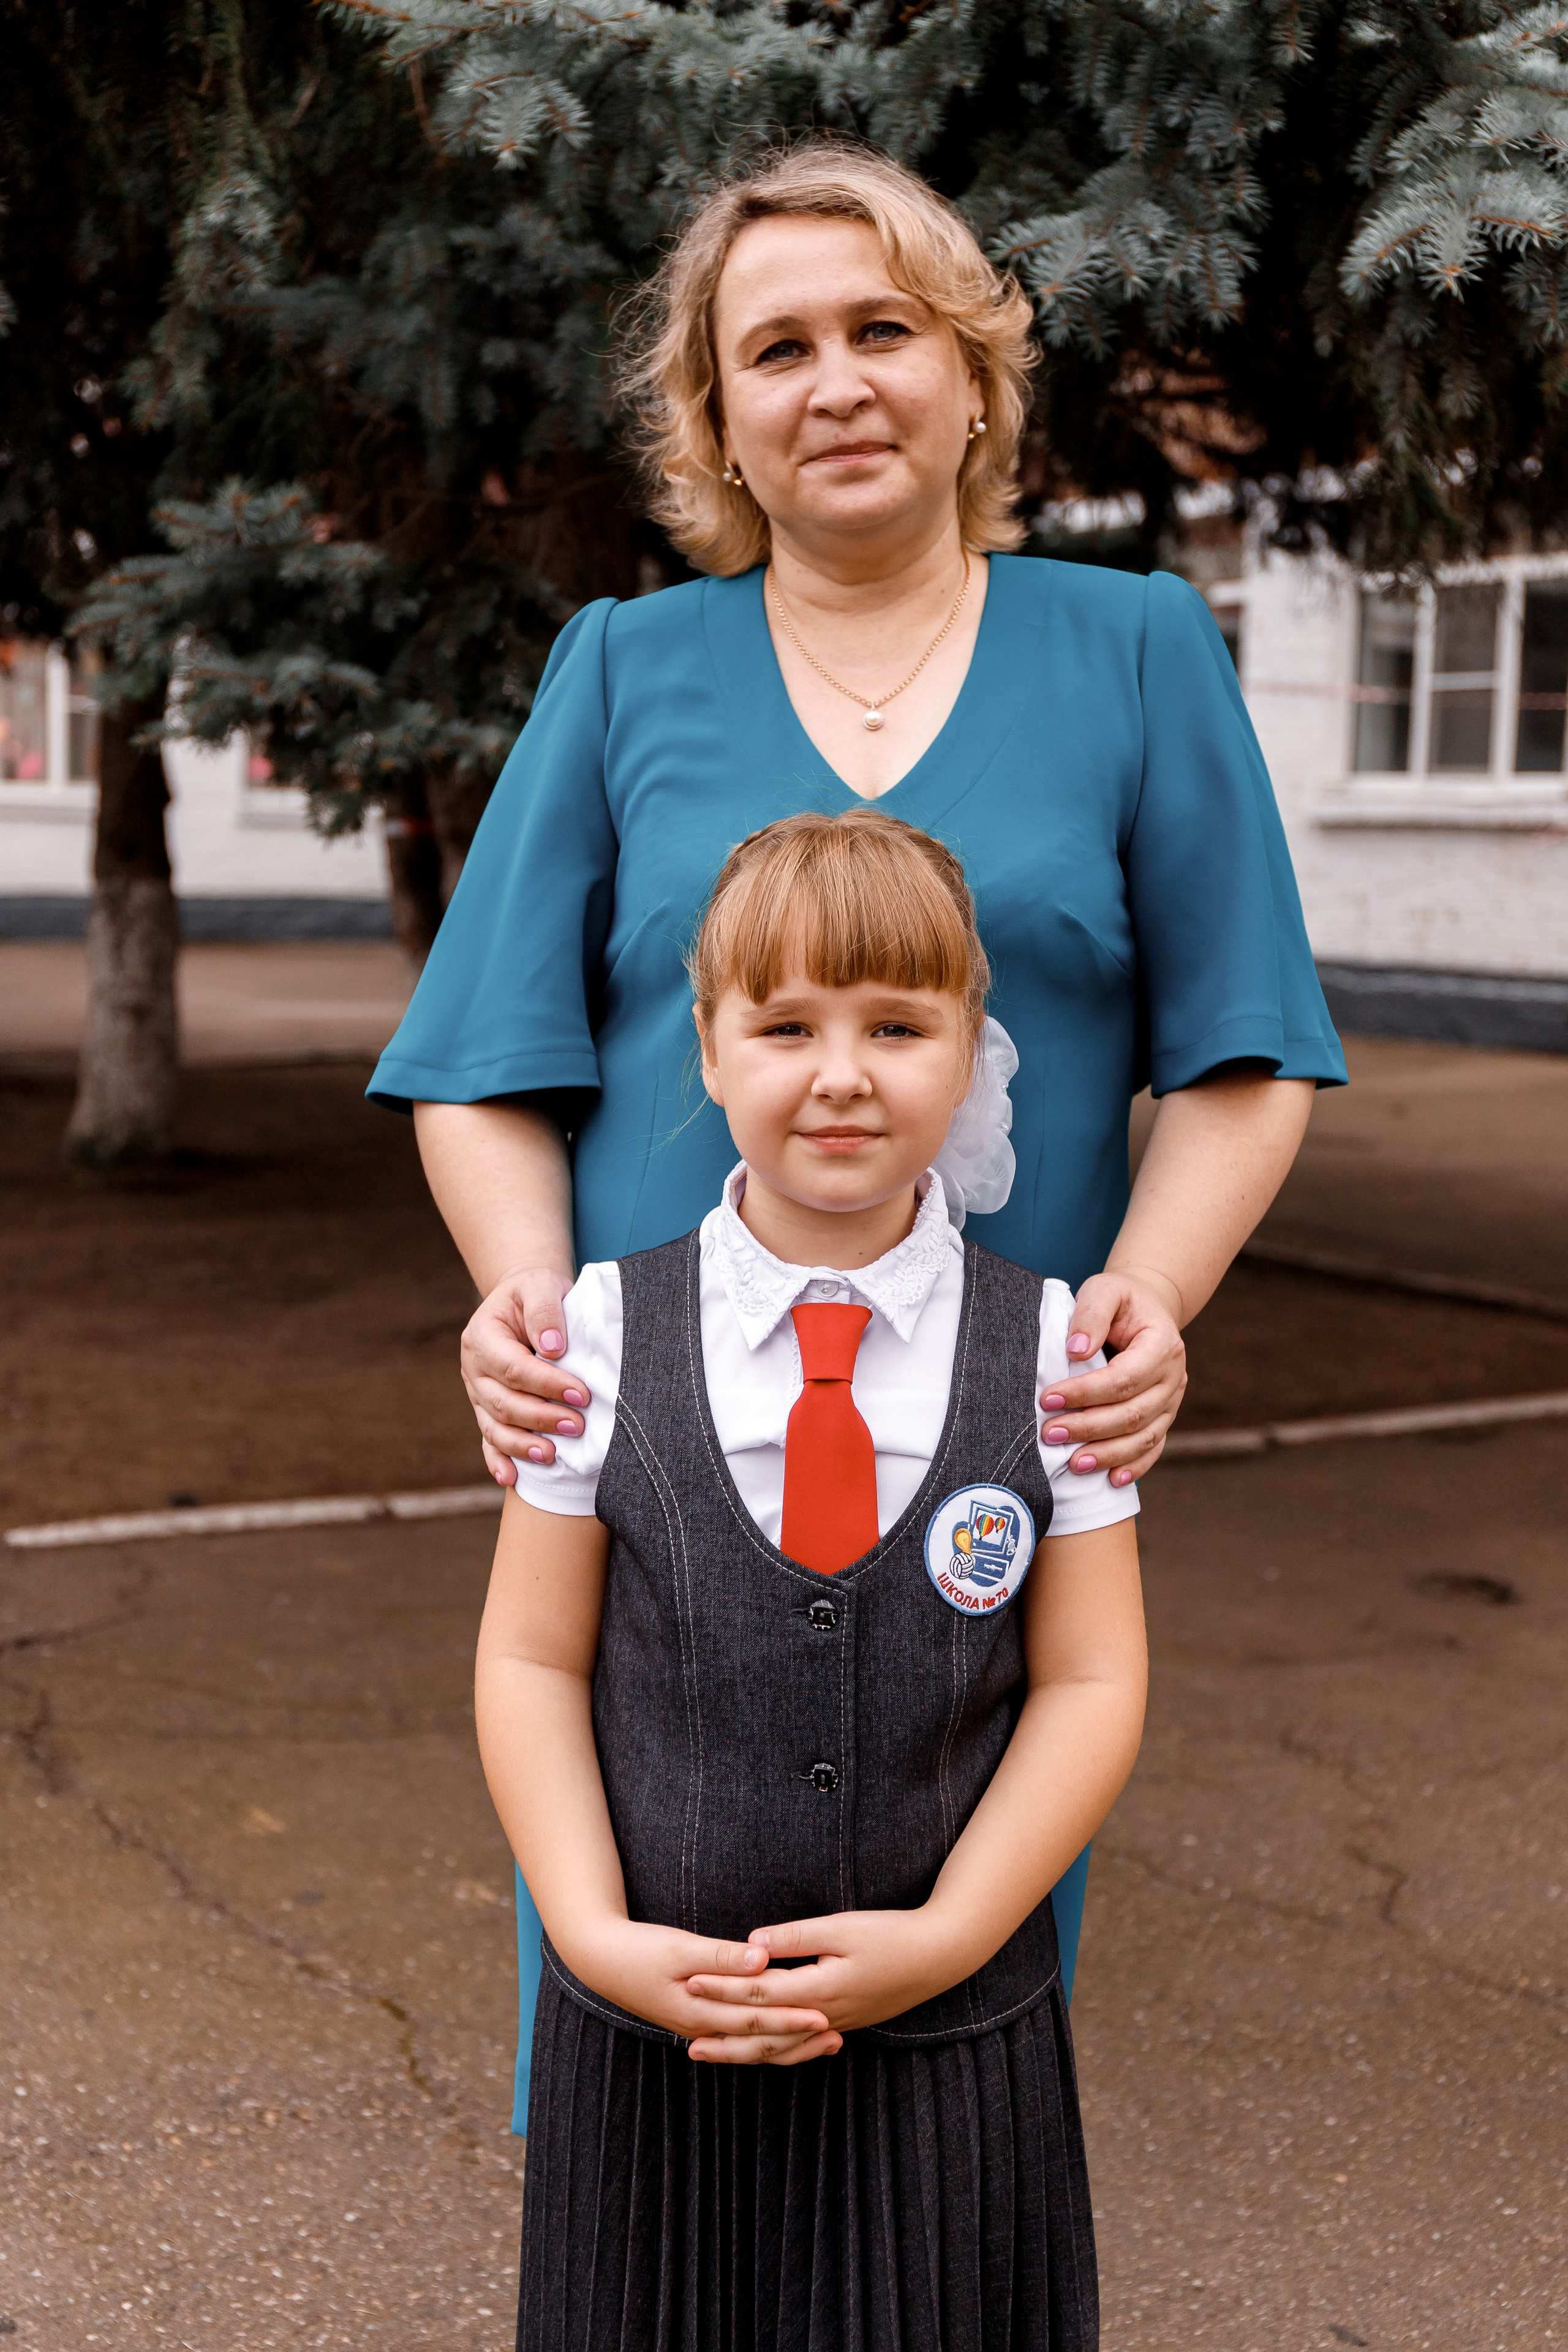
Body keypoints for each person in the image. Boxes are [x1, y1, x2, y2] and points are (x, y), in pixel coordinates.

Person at [368, 138, 1345, 2130]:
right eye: (777, 347)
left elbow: (1246, 1053)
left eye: (884, 329)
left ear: (974, 371)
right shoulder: (625, 670)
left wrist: (1143, 1309)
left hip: (989, 1464)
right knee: (650, 1993)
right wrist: (543, 1323)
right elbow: (480, 1064)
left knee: (955, 2038)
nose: (836, 381)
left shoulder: (1140, 648)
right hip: (673, 1453)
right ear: (718, 419)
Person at [476, 809, 1147, 2351]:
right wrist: (587, 1933)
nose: (841, 1073)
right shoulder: (591, 1331)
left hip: (950, 2050)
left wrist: (955, 1931)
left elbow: (1091, 1678)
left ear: (970, 1049)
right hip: (652, 2041)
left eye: (898, 1025)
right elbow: (527, 1657)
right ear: (706, 1053)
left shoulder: (1056, 1352)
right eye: (783, 1025)